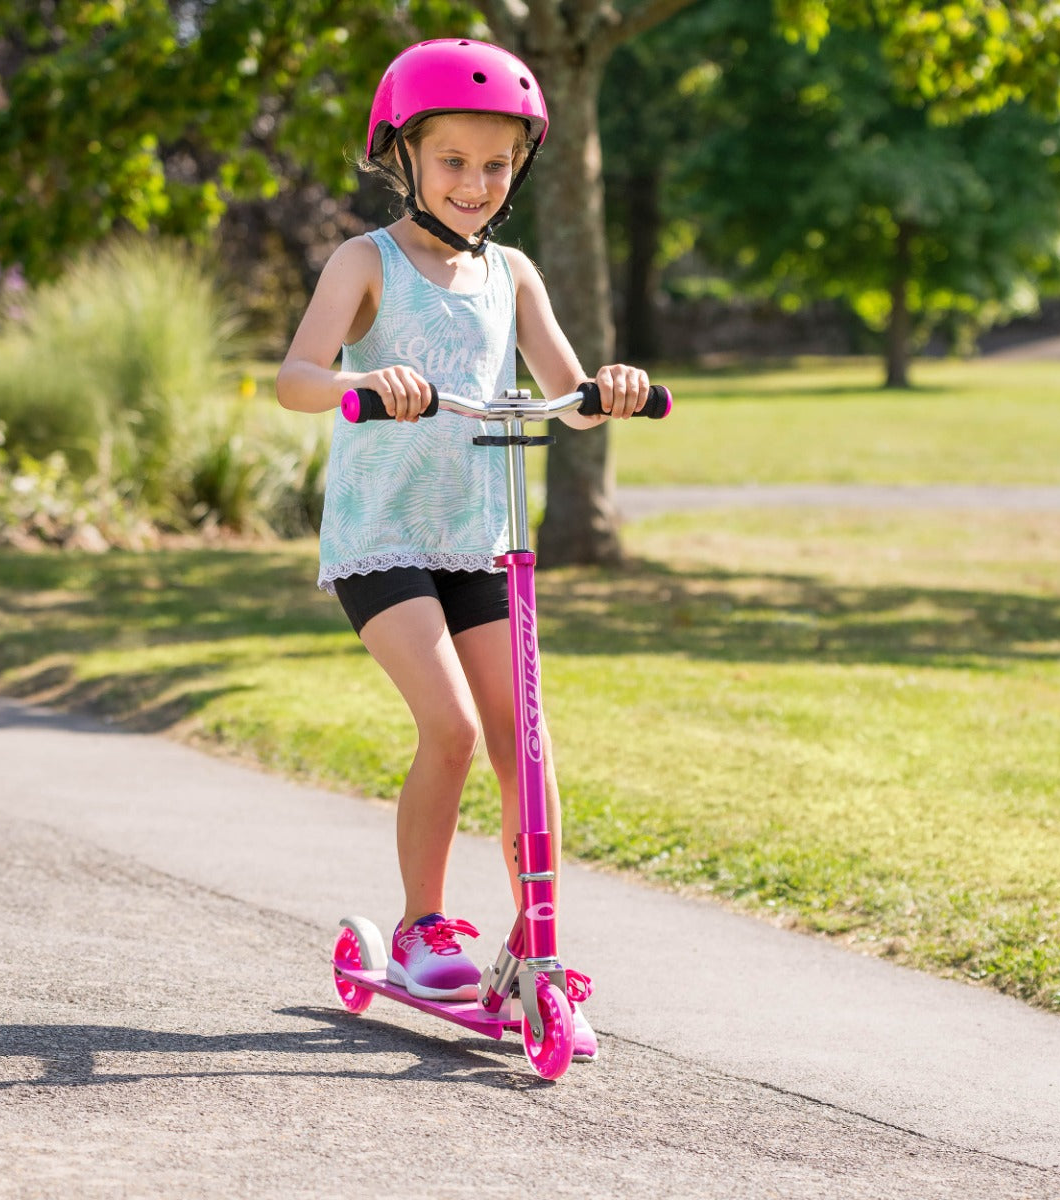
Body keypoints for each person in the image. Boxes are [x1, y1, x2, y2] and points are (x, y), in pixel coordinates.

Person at [276, 38, 649, 1060]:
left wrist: (605, 389)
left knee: (524, 746)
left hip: (482, 538)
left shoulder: (514, 275)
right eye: (454, 161)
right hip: (383, 539)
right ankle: (420, 926)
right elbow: (296, 378)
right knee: (448, 729)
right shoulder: (367, 263)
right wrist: (366, 385)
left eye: (497, 164)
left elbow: (569, 399)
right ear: (404, 155)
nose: (478, 183)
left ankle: (539, 941)